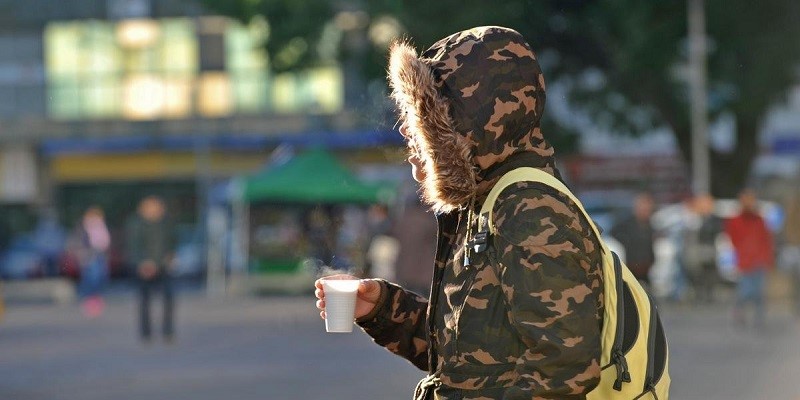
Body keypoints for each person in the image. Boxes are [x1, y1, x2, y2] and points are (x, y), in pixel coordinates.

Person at [315, 27, 604, 399]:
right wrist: (384, 309)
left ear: (470, 124)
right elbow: (467, 359)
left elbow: (566, 371)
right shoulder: (485, 205)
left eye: (424, 116)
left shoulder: (528, 210)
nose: (407, 129)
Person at [126, 196, 177, 343]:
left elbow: (172, 241)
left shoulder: (166, 222)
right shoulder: (136, 223)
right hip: (144, 267)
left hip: (163, 266)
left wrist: (171, 256)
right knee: (145, 301)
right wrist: (142, 262)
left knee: (169, 298)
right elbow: (133, 245)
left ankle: (168, 331)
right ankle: (146, 333)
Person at [725, 188, 775, 328]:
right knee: (745, 291)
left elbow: (766, 240)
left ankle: (759, 319)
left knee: (759, 293)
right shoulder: (736, 220)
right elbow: (733, 238)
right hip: (745, 261)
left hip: (759, 261)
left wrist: (767, 259)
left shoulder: (759, 220)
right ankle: (738, 313)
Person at [67, 206, 111, 318]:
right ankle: (88, 301)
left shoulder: (102, 227)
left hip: (100, 255)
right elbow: (76, 242)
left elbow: (105, 241)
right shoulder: (82, 228)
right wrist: (82, 253)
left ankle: (96, 299)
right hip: (88, 256)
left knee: (100, 277)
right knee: (90, 278)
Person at [681, 194, 723, 304]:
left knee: (709, 273)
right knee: (696, 273)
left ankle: (708, 294)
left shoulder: (713, 219)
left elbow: (715, 233)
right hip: (696, 252)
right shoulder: (694, 218)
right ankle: (698, 293)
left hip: (708, 251)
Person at [611, 191, 656, 289]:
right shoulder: (626, 224)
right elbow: (613, 235)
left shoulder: (650, 226)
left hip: (646, 270)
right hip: (630, 269)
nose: (645, 210)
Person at [779, 186, 800, 318]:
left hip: (795, 247)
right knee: (797, 281)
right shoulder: (793, 208)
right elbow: (788, 229)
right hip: (795, 248)